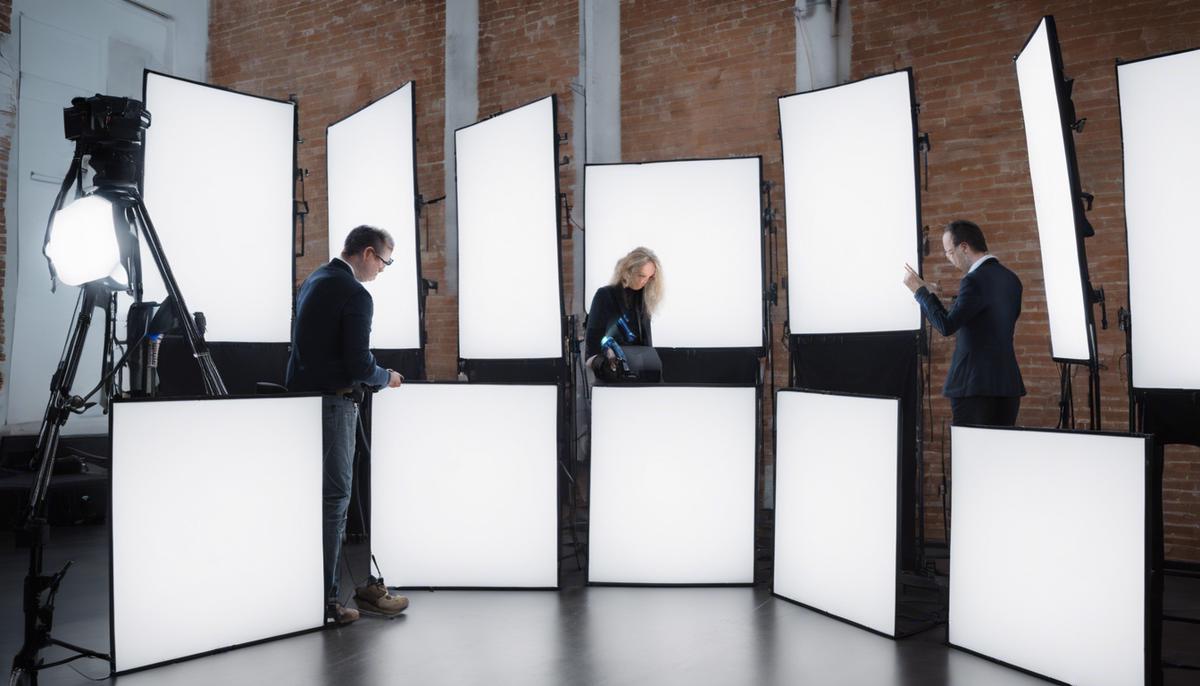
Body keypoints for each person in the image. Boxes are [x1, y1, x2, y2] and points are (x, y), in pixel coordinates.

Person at [287, 224, 409, 624]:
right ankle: (329, 604)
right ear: (369, 253)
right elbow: (359, 363)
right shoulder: (357, 293)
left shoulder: (314, 280)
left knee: (311, 502)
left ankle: (309, 597)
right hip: (333, 405)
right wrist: (384, 377)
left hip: (300, 403)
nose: (382, 271)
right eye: (385, 263)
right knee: (335, 502)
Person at [903, 219, 1025, 427]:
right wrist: (932, 295)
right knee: (1001, 455)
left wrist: (920, 292)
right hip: (1007, 385)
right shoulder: (1011, 279)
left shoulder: (973, 280)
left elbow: (946, 326)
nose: (950, 259)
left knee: (970, 456)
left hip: (974, 387)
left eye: (949, 252)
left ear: (964, 247)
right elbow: (983, 321)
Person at [586, 247, 662, 372]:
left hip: (640, 373)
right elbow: (592, 345)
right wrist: (606, 362)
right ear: (628, 270)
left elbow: (647, 344)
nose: (644, 281)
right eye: (641, 275)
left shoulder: (644, 299)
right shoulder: (605, 295)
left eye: (650, 277)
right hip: (612, 372)